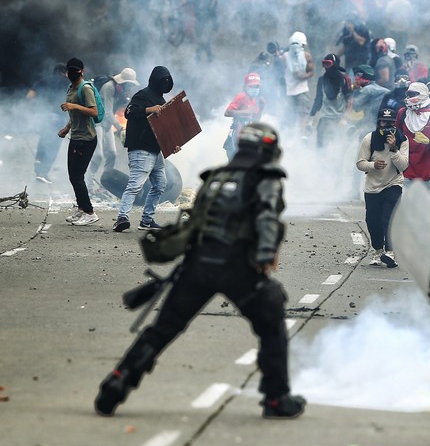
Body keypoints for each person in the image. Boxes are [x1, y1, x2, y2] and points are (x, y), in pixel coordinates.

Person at [95, 123, 306, 418]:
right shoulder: (266, 177)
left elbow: (196, 221)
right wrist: (265, 257)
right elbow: (268, 218)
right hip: (236, 268)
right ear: (267, 149)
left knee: (162, 329)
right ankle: (276, 399)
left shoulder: (215, 177)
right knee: (271, 325)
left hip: (197, 264)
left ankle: (116, 383)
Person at [112, 66, 175, 232]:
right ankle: (121, 218)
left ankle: (147, 220)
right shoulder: (142, 95)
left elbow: (163, 129)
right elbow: (129, 112)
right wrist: (149, 109)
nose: (165, 84)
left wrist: (172, 144)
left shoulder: (162, 101)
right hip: (141, 148)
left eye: (167, 81)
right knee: (135, 185)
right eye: (163, 80)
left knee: (160, 184)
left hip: (155, 150)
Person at [356, 107, 409, 268]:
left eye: (391, 123)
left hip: (394, 182)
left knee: (389, 218)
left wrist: (394, 149)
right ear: (379, 122)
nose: (387, 127)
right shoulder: (369, 139)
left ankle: (390, 252)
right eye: (384, 122)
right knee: (372, 221)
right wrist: (373, 165)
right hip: (372, 186)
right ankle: (378, 250)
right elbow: (360, 163)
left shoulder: (402, 140)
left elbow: (404, 165)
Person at [59, 57, 100, 226]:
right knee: (73, 175)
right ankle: (81, 209)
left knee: (77, 176)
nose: (72, 73)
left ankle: (90, 212)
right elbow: (73, 115)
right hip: (75, 136)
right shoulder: (71, 87)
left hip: (86, 139)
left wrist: (74, 106)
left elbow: (94, 112)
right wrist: (67, 128)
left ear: (82, 71)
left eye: (76, 70)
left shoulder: (86, 88)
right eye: (70, 70)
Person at [98, 68, 140, 171]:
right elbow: (108, 112)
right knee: (97, 156)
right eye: (129, 85)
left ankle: (106, 180)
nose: (130, 87)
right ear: (123, 82)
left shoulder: (121, 92)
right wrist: (120, 128)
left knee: (112, 154)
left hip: (106, 125)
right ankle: (89, 185)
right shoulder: (109, 87)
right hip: (97, 123)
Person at [308, 54, 352, 148]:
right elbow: (318, 100)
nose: (326, 67)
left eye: (328, 64)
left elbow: (350, 101)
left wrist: (345, 118)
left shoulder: (344, 79)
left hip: (339, 120)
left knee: (339, 149)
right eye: (324, 64)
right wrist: (310, 119)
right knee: (320, 149)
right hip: (325, 119)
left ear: (335, 64)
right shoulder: (321, 80)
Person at [224, 73, 266, 159]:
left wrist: (261, 108)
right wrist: (246, 112)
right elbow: (227, 112)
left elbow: (255, 121)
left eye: (256, 86)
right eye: (252, 86)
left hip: (245, 138)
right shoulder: (241, 97)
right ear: (245, 86)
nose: (254, 89)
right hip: (235, 138)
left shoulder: (253, 100)